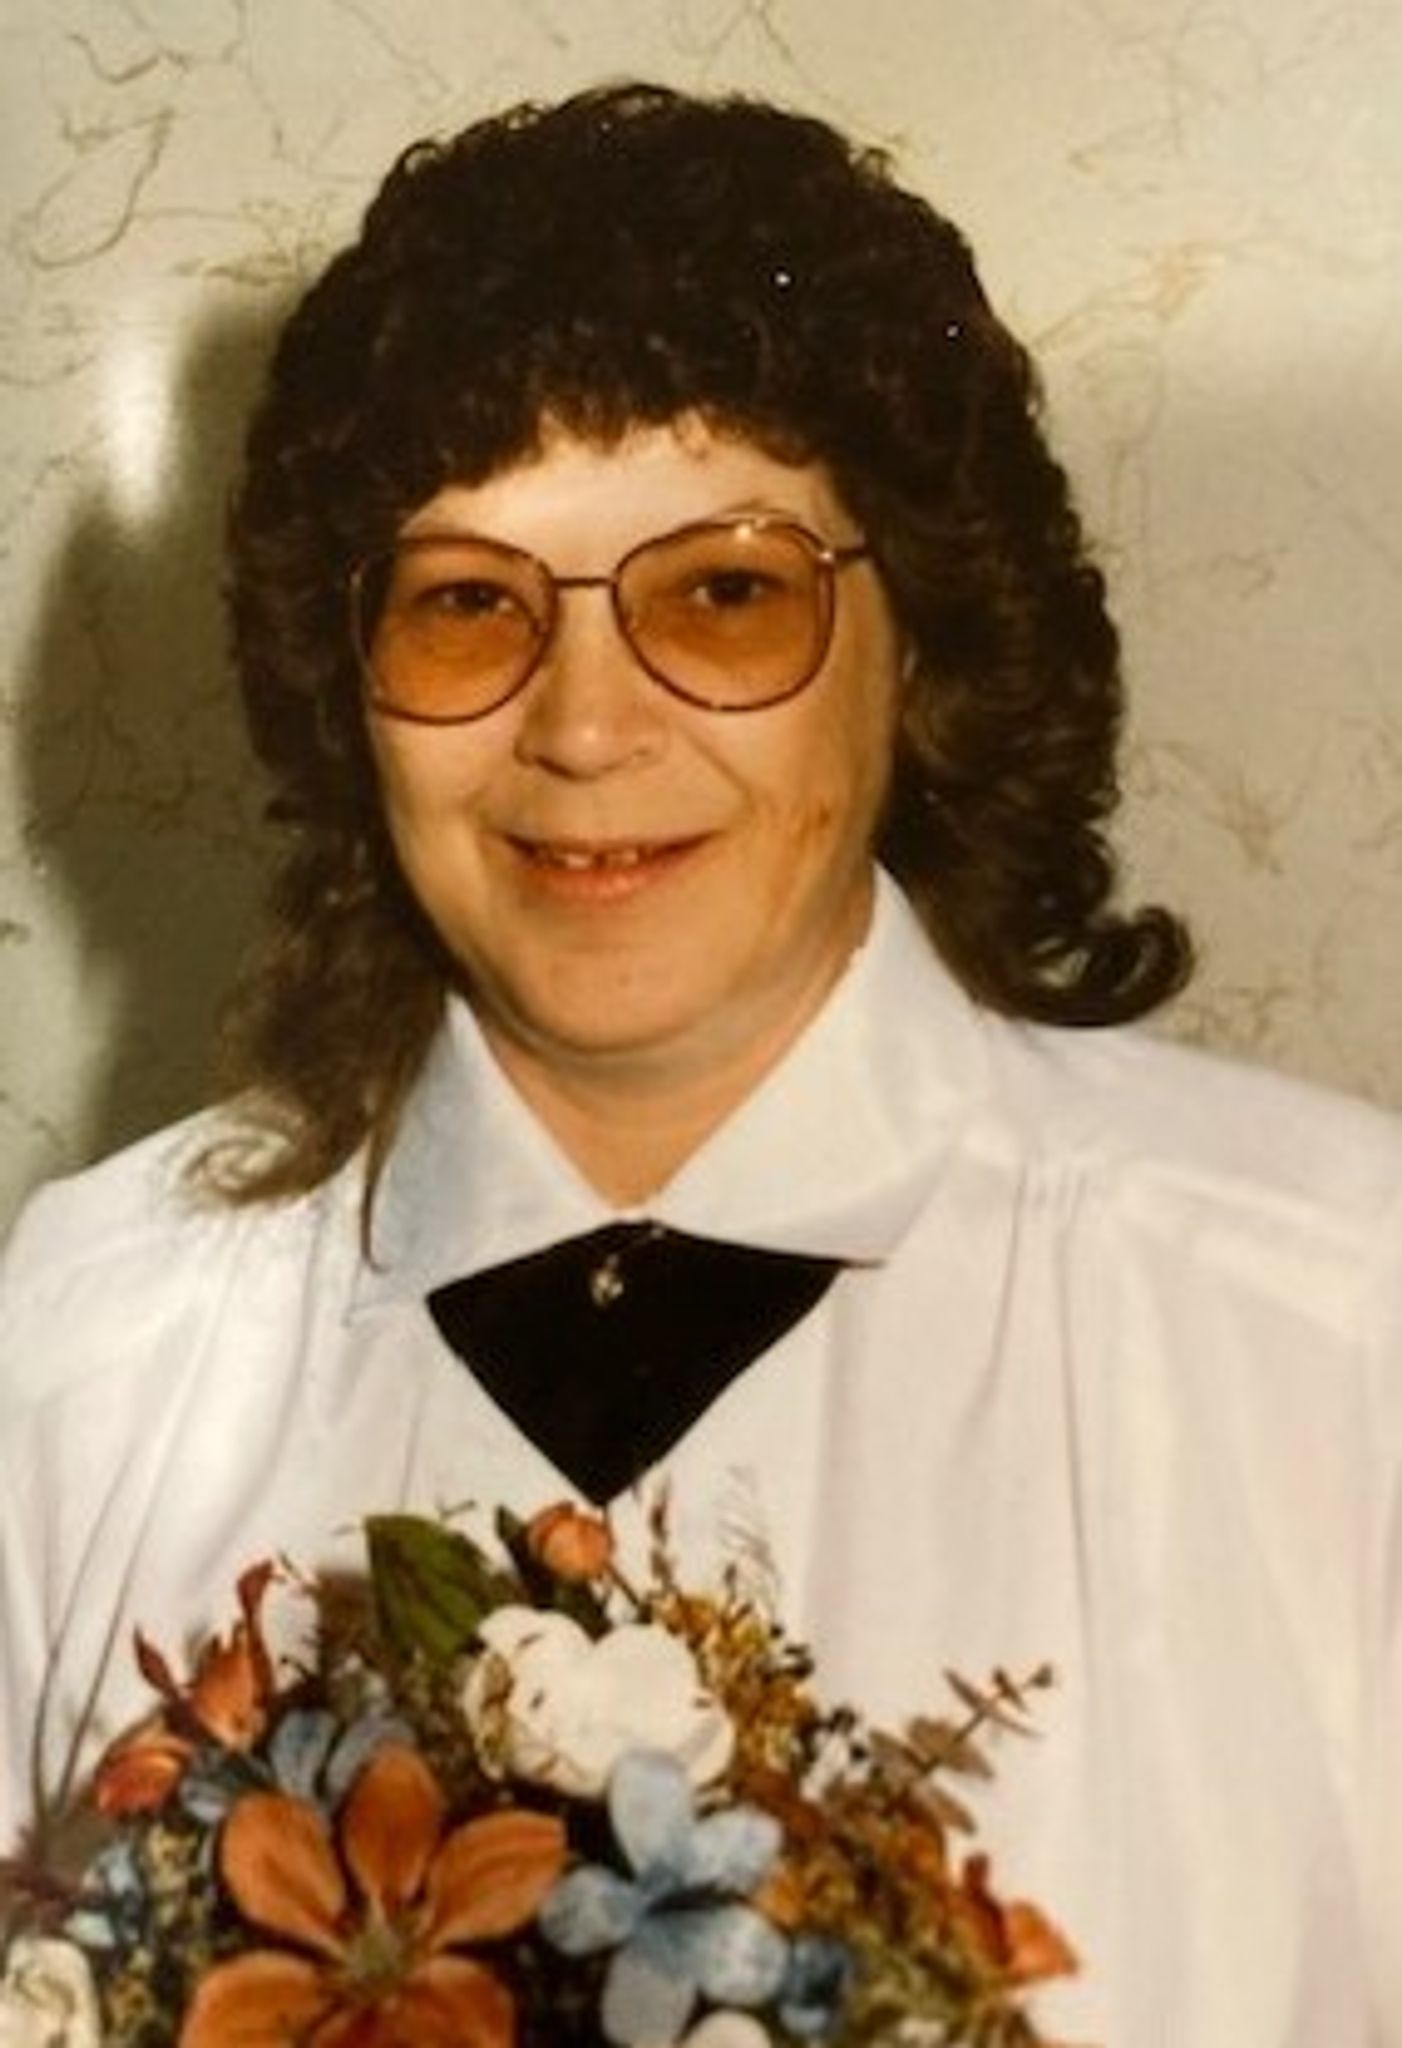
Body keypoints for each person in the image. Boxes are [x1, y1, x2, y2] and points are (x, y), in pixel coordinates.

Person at [1, 81, 1399, 2045]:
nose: (583, 728)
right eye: (467, 604)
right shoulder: (90, 1342)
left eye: (722, 593)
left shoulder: (1333, 1315)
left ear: (923, 648)